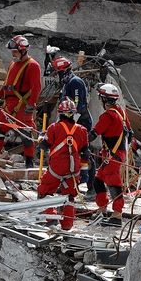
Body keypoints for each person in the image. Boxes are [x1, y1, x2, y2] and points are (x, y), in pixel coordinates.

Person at [37, 98, 89, 229]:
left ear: (60, 114)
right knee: (70, 196)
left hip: (57, 168)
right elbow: (85, 152)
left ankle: (51, 219)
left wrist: (41, 137)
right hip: (73, 169)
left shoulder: (54, 128)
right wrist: (83, 173)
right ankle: (67, 225)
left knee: (45, 191)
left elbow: (44, 145)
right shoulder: (82, 130)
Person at [0, 35, 42, 168]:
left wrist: (31, 105)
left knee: (26, 135)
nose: (13, 54)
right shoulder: (13, 64)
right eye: (12, 51)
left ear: (23, 50)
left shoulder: (33, 66)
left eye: (15, 51)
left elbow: (36, 88)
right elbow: (6, 83)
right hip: (8, 105)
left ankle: (29, 163)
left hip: (22, 106)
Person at [89, 83, 132, 225]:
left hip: (113, 154)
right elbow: (130, 134)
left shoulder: (108, 116)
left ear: (104, 100)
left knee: (113, 182)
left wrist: (80, 142)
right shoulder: (121, 113)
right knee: (98, 179)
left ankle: (117, 215)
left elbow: (94, 134)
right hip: (118, 153)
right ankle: (102, 209)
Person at [56, 56, 96, 197]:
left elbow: (78, 105)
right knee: (69, 153)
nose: (58, 75)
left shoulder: (75, 82)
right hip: (71, 121)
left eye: (59, 72)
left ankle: (91, 186)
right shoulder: (67, 83)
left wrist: (71, 123)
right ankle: (70, 184)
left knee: (85, 154)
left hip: (81, 121)